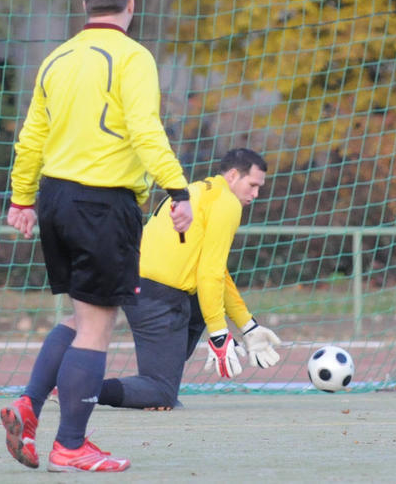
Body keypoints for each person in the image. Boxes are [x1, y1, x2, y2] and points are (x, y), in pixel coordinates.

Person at [1, 0, 192, 473]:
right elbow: (145, 129)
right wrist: (177, 189)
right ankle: (70, 445)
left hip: (54, 199)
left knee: (81, 316)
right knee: (98, 326)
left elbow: (31, 137)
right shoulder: (132, 57)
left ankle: (28, 405)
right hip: (102, 203)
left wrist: (22, 200)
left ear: (84, 3)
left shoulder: (57, 59)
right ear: (131, 3)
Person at [97, 148, 282, 411]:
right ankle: (78, 388)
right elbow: (210, 273)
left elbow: (217, 273)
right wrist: (219, 333)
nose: (255, 194)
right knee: (161, 393)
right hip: (157, 294)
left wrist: (247, 326)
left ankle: (151, 385)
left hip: (138, 284)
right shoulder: (227, 203)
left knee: (166, 373)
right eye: (252, 185)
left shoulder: (198, 191)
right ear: (232, 175)